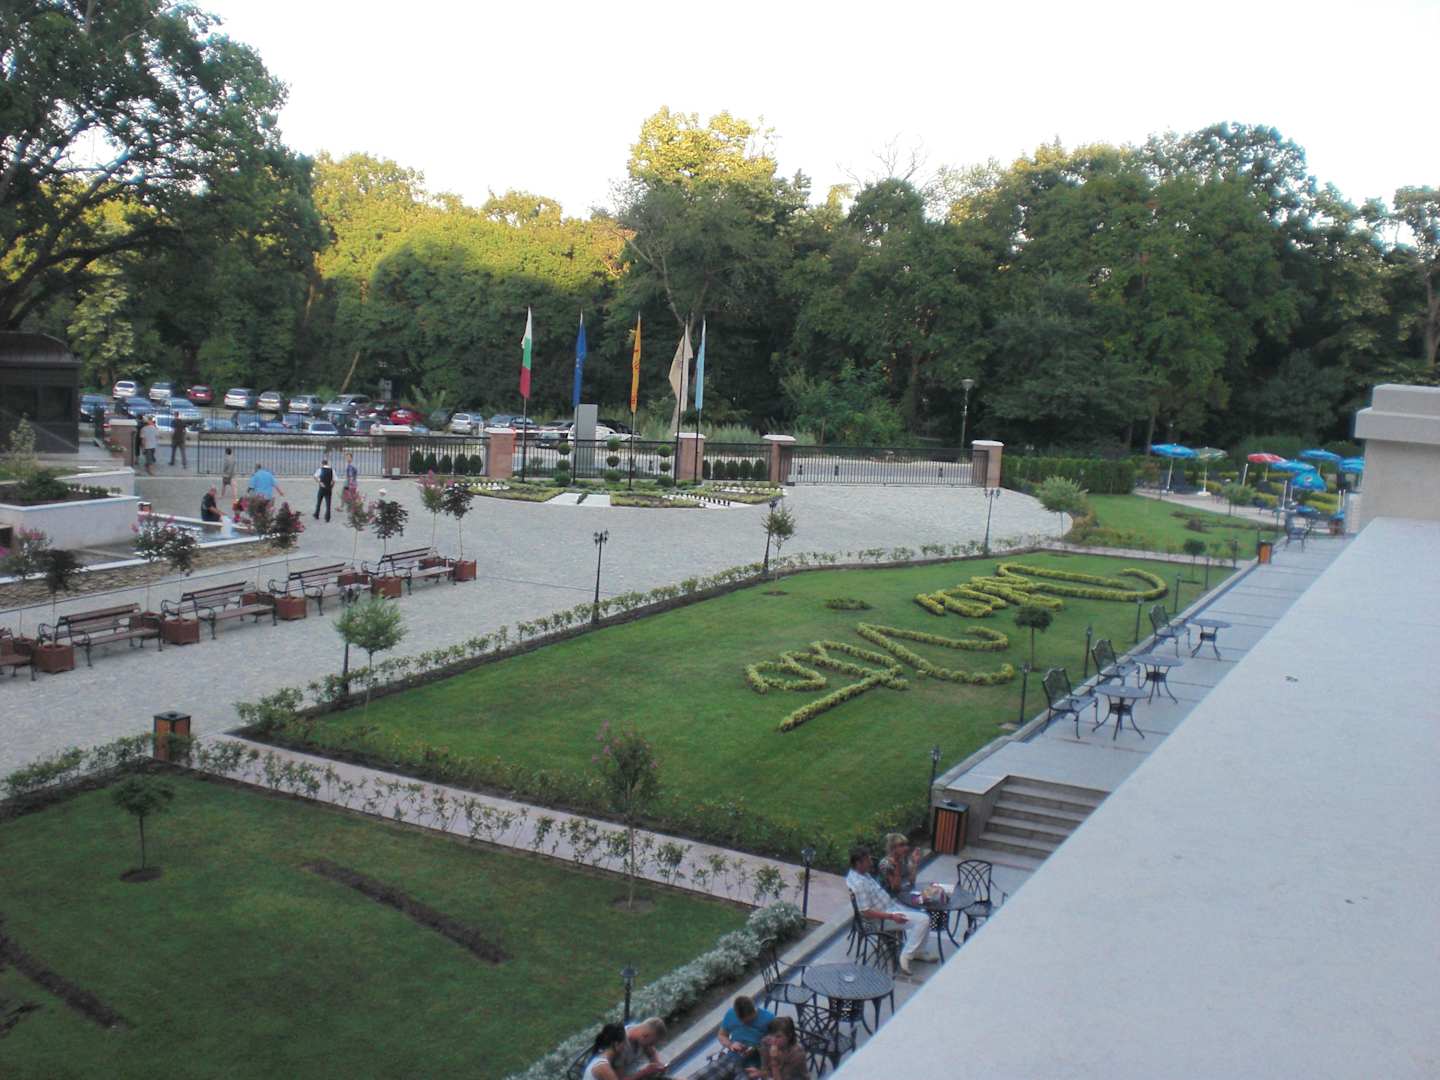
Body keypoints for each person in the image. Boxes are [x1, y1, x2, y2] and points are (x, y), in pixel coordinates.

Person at [846, 845, 936, 977]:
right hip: (881, 920)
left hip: (891, 907)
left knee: (924, 913)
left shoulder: (861, 874)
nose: (871, 862)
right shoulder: (859, 883)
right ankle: (906, 956)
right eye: (867, 860)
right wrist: (892, 917)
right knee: (924, 920)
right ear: (858, 863)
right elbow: (865, 912)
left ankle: (918, 951)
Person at [691, 996, 775, 1080]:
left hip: (752, 1066)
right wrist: (731, 1044)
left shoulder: (769, 1019)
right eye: (741, 1021)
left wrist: (758, 1049)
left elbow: (776, 1046)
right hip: (731, 1057)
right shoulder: (731, 1014)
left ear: (754, 1010)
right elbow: (722, 1035)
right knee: (697, 1077)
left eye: (748, 1021)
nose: (744, 1023)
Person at [878, 832, 922, 897]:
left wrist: (914, 863)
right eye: (902, 845)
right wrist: (897, 866)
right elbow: (895, 889)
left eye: (906, 845)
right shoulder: (884, 864)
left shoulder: (903, 858)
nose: (906, 848)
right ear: (893, 848)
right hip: (890, 896)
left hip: (903, 891)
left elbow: (912, 881)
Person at [314, 455, 335, 522]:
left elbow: (315, 477)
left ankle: (316, 514)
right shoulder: (332, 470)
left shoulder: (320, 469)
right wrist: (331, 486)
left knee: (319, 502)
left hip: (322, 488)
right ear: (327, 463)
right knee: (328, 504)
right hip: (329, 488)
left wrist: (320, 482)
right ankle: (327, 517)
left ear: (322, 464)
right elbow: (334, 480)